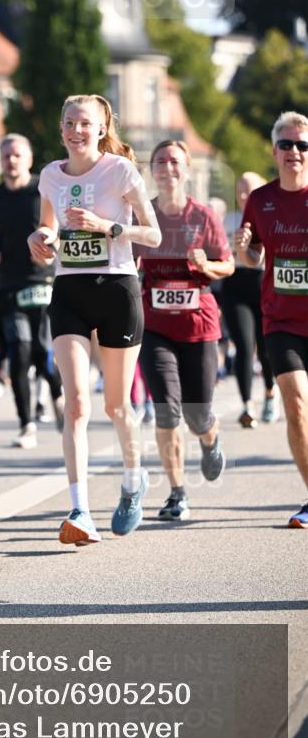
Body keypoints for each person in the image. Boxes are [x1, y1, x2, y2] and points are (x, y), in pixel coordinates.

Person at [28, 94, 161, 545]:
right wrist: (40, 237)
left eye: (85, 123)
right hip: (69, 291)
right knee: (77, 403)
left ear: (102, 129)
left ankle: (131, 481)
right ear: (61, 128)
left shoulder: (120, 171)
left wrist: (107, 227)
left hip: (117, 288)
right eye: (69, 122)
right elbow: (48, 226)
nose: (76, 130)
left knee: (116, 406)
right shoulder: (50, 175)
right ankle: (80, 509)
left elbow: (154, 233)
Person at [137, 140, 234, 522]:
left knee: (197, 413)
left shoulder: (204, 216)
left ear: (186, 169)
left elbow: (227, 266)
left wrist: (207, 265)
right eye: (160, 161)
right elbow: (125, 265)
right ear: (153, 171)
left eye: (174, 161)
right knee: (166, 411)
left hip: (199, 326)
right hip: (156, 326)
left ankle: (210, 437)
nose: (167, 167)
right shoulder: (142, 216)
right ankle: (177, 492)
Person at [234, 112, 308, 529]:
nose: (294, 152)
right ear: (274, 150)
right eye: (287, 145)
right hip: (281, 319)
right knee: (296, 405)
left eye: (302, 145)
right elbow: (254, 257)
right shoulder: (259, 199)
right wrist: (244, 248)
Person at [0, 134, 64, 449]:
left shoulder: (41, 191)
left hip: (42, 281)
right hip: (8, 284)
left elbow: (57, 227)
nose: (11, 160)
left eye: (17, 155)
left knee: (42, 352)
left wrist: (52, 245)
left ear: (29, 160)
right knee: (19, 352)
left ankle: (58, 395)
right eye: (5, 155)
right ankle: (27, 424)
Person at [221, 172, 278, 428]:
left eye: (249, 189)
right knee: (243, 345)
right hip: (234, 285)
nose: (243, 195)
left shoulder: (271, 214)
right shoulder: (228, 220)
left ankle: (269, 393)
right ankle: (246, 406)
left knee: (265, 347)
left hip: (263, 283)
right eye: (239, 189)